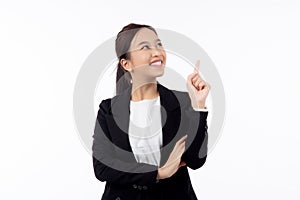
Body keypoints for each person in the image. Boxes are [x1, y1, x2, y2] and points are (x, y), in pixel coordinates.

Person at [92, 23, 210, 200]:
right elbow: (102, 168)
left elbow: (195, 161)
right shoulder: (108, 109)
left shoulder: (183, 101)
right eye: (145, 47)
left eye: (159, 44)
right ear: (127, 63)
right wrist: (157, 173)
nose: (157, 52)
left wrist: (198, 106)